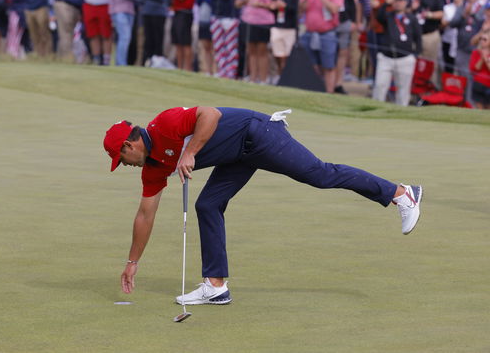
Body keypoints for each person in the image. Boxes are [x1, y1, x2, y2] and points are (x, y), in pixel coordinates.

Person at [103, 106, 424, 303]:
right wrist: (133, 262)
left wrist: (189, 152)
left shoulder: (166, 124)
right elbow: (146, 214)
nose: (125, 164)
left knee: (319, 174)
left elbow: (210, 114)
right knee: (208, 205)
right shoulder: (153, 168)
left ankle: (400, 194)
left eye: (122, 158)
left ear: (130, 145)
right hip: (235, 155)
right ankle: (215, 286)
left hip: (258, 133)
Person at [372, 0, 422, 106]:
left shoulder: (411, 18)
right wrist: (386, 3)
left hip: (405, 58)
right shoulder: (388, 16)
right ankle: (375, 109)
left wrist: (416, 54)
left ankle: (401, 113)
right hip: (386, 58)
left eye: (401, 1)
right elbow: (379, 16)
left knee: (403, 89)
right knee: (380, 85)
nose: (398, 3)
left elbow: (418, 37)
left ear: (405, 2)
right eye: (396, 1)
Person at [299, 0, 344, 93]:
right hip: (310, 33)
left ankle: (329, 93)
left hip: (327, 34)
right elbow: (301, 9)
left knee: (328, 66)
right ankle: (316, 90)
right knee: (312, 65)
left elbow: (334, 10)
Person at [147, 0, 195, 71]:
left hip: (185, 13)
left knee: (186, 43)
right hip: (176, 13)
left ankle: (187, 69)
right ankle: (179, 68)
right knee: (177, 42)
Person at [235, 0, 273, 83]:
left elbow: (273, 5)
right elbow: (237, 3)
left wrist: (260, 4)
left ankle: (262, 78)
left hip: (264, 22)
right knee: (251, 50)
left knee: (262, 51)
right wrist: (244, 1)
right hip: (248, 20)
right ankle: (252, 77)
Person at [326, 0, 358, 94]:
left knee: (343, 52)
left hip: (344, 20)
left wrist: (354, 21)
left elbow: (351, 2)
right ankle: (329, 83)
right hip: (328, 22)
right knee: (329, 52)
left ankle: (338, 83)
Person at [204, 0, 240, 79]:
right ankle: (222, 71)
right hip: (216, 16)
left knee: (230, 48)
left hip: (230, 16)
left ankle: (230, 73)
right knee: (218, 47)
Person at [408, 0, 444, 86]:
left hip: (430, 35)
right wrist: (411, 8)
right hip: (414, 35)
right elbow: (404, 11)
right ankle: (416, 91)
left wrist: (429, 14)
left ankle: (429, 93)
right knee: (414, 64)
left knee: (431, 65)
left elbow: (441, 13)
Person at [269, 0, 298, 78]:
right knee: (278, 53)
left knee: (287, 55)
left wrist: (285, 6)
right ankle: (281, 76)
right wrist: (274, 6)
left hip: (290, 25)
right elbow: (272, 4)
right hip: (278, 24)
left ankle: (287, 77)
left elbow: (296, 8)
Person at [138, 0, 168, 65]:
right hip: (147, 13)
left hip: (159, 14)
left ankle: (158, 62)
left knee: (158, 39)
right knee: (148, 40)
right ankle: (146, 61)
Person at [469, 28, 490, 109]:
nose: (481, 41)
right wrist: (481, 58)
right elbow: (473, 69)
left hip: (489, 86)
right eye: (481, 38)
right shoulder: (476, 53)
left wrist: (486, 59)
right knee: (479, 111)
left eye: (485, 39)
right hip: (478, 85)